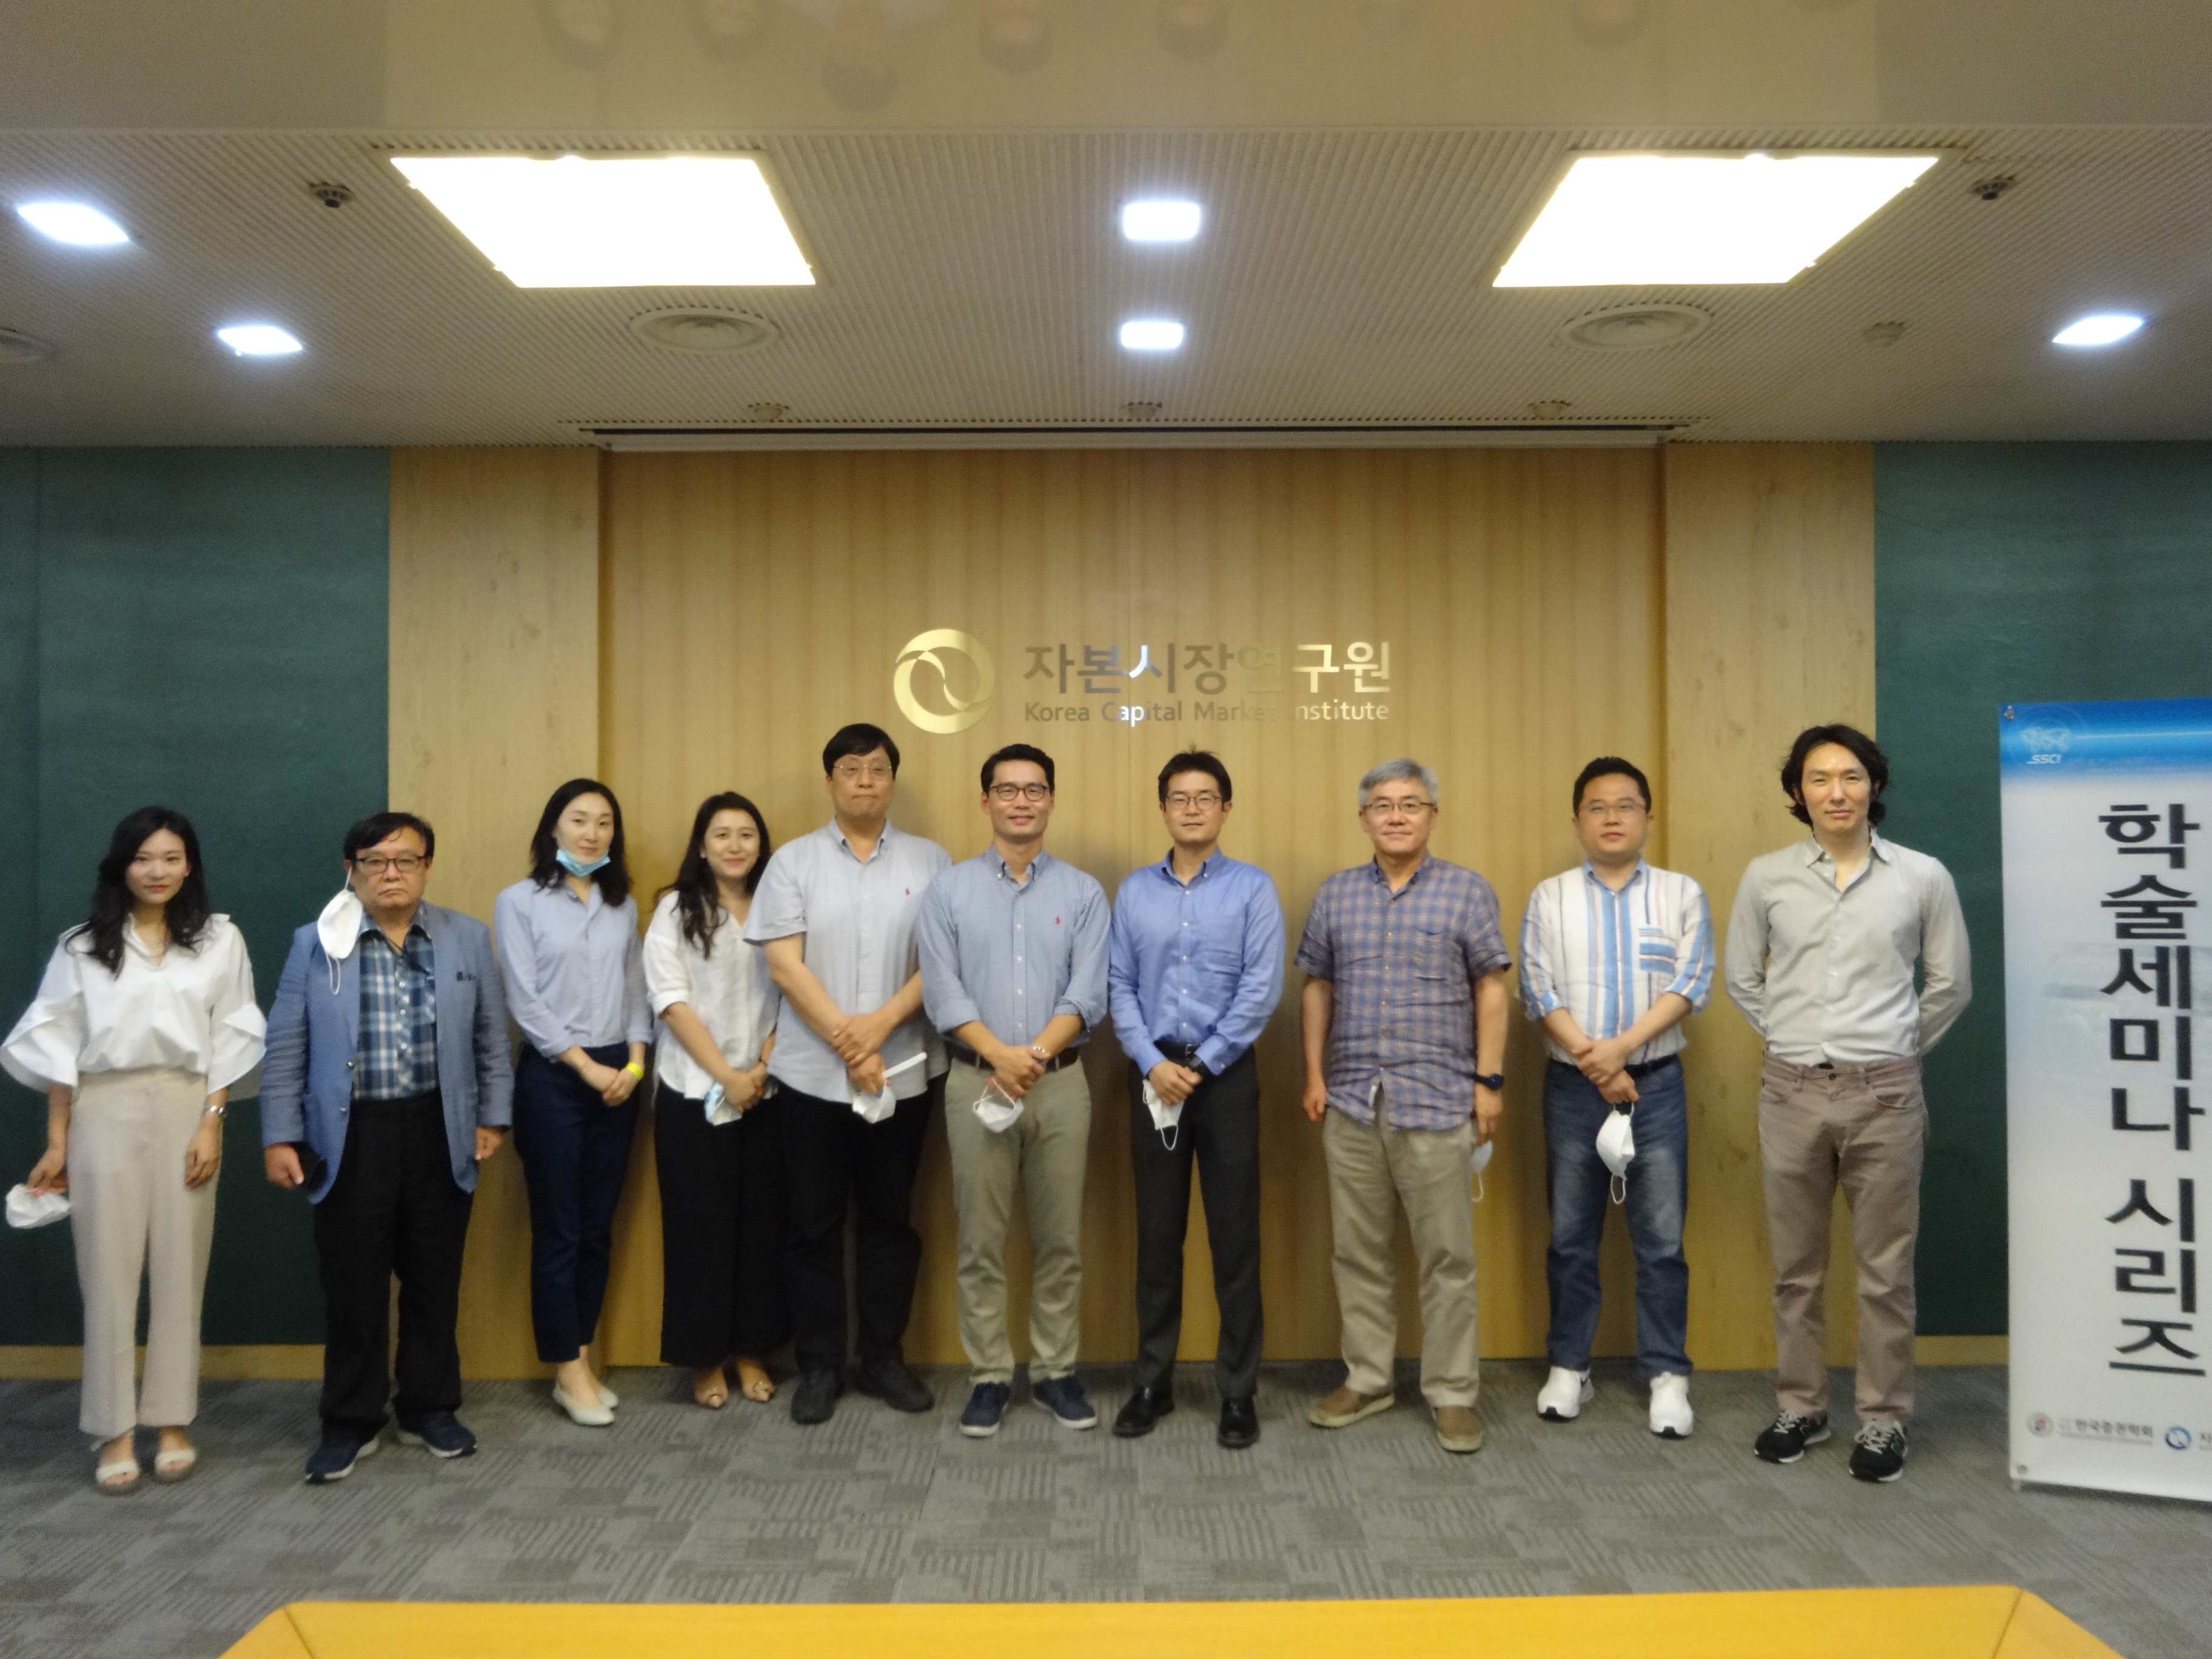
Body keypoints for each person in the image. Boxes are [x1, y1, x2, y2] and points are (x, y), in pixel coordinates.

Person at [1726, 723, 1971, 1484]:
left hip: (1886, 1096)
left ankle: (1884, 1419)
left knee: (1885, 1272)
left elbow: (1949, 985)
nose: (1837, 792)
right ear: (1798, 793)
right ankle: (1801, 1406)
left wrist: (1893, 1048)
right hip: (1791, 1091)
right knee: (1796, 1270)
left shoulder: (1922, 876)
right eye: (1820, 779)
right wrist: (1797, 1040)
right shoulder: (1767, 877)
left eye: (1852, 776)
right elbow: (1742, 978)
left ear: (1875, 785)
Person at [4, 806, 265, 1494]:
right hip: (103, 1109)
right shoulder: (81, 946)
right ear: (122, 865)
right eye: (144, 858)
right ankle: (113, 1428)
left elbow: (233, 1032)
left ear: (190, 865)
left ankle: (172, 1420)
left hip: (187, 1107)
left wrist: (212, 1122)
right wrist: (58, 1140)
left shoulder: (220, 940)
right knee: (107, 1275)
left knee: (182, 1268)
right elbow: (57, 1046)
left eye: (172, 858)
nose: (158, 871)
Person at [260, 811, 514, 1483]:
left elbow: (491, 1038)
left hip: (440, 1127)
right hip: (350, 1135)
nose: (391, 873)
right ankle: (350, 1418)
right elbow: (284, 1045)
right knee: (354, 1285)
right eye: (375, 861)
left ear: (427, 867)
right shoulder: (315, 943)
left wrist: (494, 1117)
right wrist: (280, 1134)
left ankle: (429, 1408)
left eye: (406, 860)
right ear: (352, 871)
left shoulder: (466, 937)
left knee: (434, 1279)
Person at [1295, 759, 1509, 1456]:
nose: (1396, 815)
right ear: (1363, 818)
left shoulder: (1466, 891)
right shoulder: (1335, 895)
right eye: (1382, 805)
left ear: (1432, 816)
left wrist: (1489, 1082)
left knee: (1448, 1257)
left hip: (1439, 1098)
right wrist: (1314, 1075)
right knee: (1358, 1251)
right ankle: (1368, 1378)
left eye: (1410, 804)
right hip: (1352, 1099)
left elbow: (1491, 988)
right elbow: (1317, 986)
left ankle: (1453, 1393)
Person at [746, 723, 950, 1425]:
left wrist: (879, 1030)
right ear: (830, 779)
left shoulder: (932, 861)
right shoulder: (793, 862)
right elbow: (784, 965)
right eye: (852, 769)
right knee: (812, 1225)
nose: (866, 780)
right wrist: (850, 1043)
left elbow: (942, 963)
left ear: (893, 780)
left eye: (879, 769)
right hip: (811, 1077)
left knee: (891, 1221)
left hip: (904, 1071)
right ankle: (821, 1365)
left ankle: (884, 1358)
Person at [917, 743, 1110, 1439]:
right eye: (1008, 790)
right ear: (986, 801)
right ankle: (990, 1377)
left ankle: (1056, 1370)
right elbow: (943, 991)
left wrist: (1031, 1058)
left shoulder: (1083, 893)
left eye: (1034, 790)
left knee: (1060, 1241)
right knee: (980, 1242)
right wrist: (1000, 1057)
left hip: (1060, 1087)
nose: (1021, 801)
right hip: (976, 1081)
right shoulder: (948, 891)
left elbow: (1088, 992)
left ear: (1051, 800)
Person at [1517, 758, 1714, 1439]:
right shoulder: (1549, 898)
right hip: (1572, 1089)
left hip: (1654, 1088)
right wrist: (1596, 1064)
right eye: (1596, 807)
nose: (1611, 818)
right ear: (1577, 821)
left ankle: (1667, 1373)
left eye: (1625, 806)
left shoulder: (1681, 894)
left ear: (1648, 818)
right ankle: (1570, 1366)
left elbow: (1691, 982)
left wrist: (1618, 1052)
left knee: (1661, 1241)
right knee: (1571, 1238)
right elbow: (1537, 987)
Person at [1106, 751, 1283, 1449]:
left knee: (1235, 1238)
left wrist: (1203, 1064)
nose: (1191, 808)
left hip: (1226, 1077)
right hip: (1153, 1074)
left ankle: (1238, 1391)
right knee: (1157, 1236)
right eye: (1179, 798)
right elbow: (1118, 984)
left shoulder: (1253, 888)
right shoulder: (1134, 892)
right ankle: (1152, 1382)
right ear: (1163, 809)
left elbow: (1261, 989)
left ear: (1226, 808)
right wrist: (1153, 1062)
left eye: (1205, 797)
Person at [494, 778, 652, 1428]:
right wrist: (586, 1066)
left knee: (596, 1226)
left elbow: (638, 989)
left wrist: (635, 1064)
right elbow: (524, 999)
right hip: (557, 1077)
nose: (592, 833)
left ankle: (581, 1359)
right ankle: (566, 1368)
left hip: (621, 1076)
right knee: (560, 1227)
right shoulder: (520, 901)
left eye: (604, 822)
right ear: (553, 828)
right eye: (579, 819)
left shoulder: (622, 906)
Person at [645, 792, 785, 1410]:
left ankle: (752, 1349)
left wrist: (760, 1070)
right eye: (721, 834)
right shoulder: (675, 909)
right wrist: (728, 1075)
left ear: (761, 845)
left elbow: (795, 993)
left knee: (762, 1230)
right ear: (702, 846)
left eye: (747, 834)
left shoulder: (780, 907)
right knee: (698, 1231)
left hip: (768, 1091)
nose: (735, 845)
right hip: (692, 1092)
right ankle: (705, 1359)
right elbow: (671, 1002)